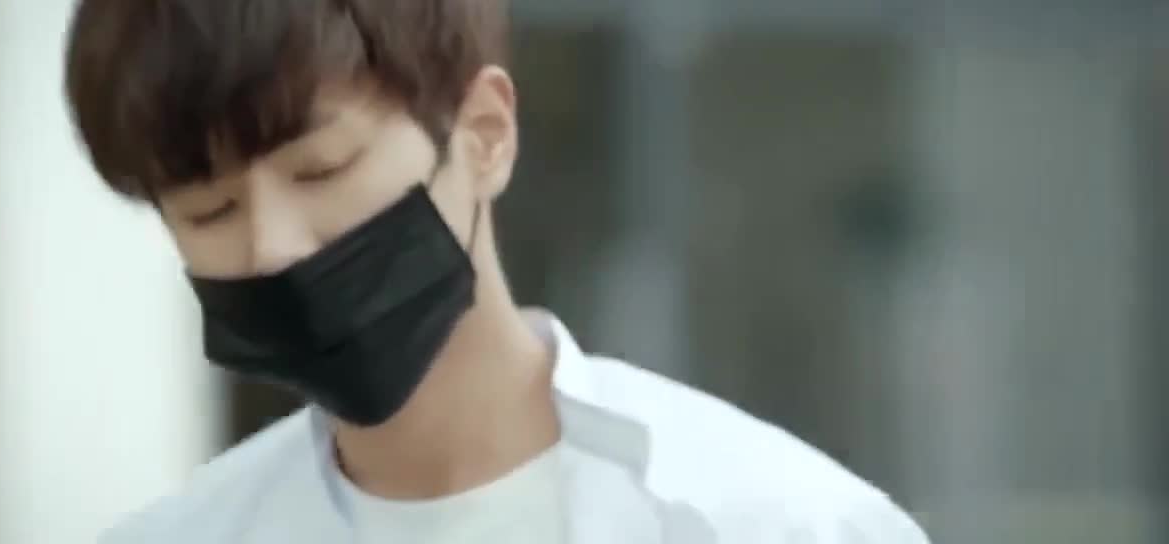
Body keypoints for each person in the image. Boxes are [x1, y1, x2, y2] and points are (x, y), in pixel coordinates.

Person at [64, 1, 931, 542]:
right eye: (209, 212)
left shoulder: (774, 523)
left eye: (322, 171)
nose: (271, 248)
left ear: (483, 135)